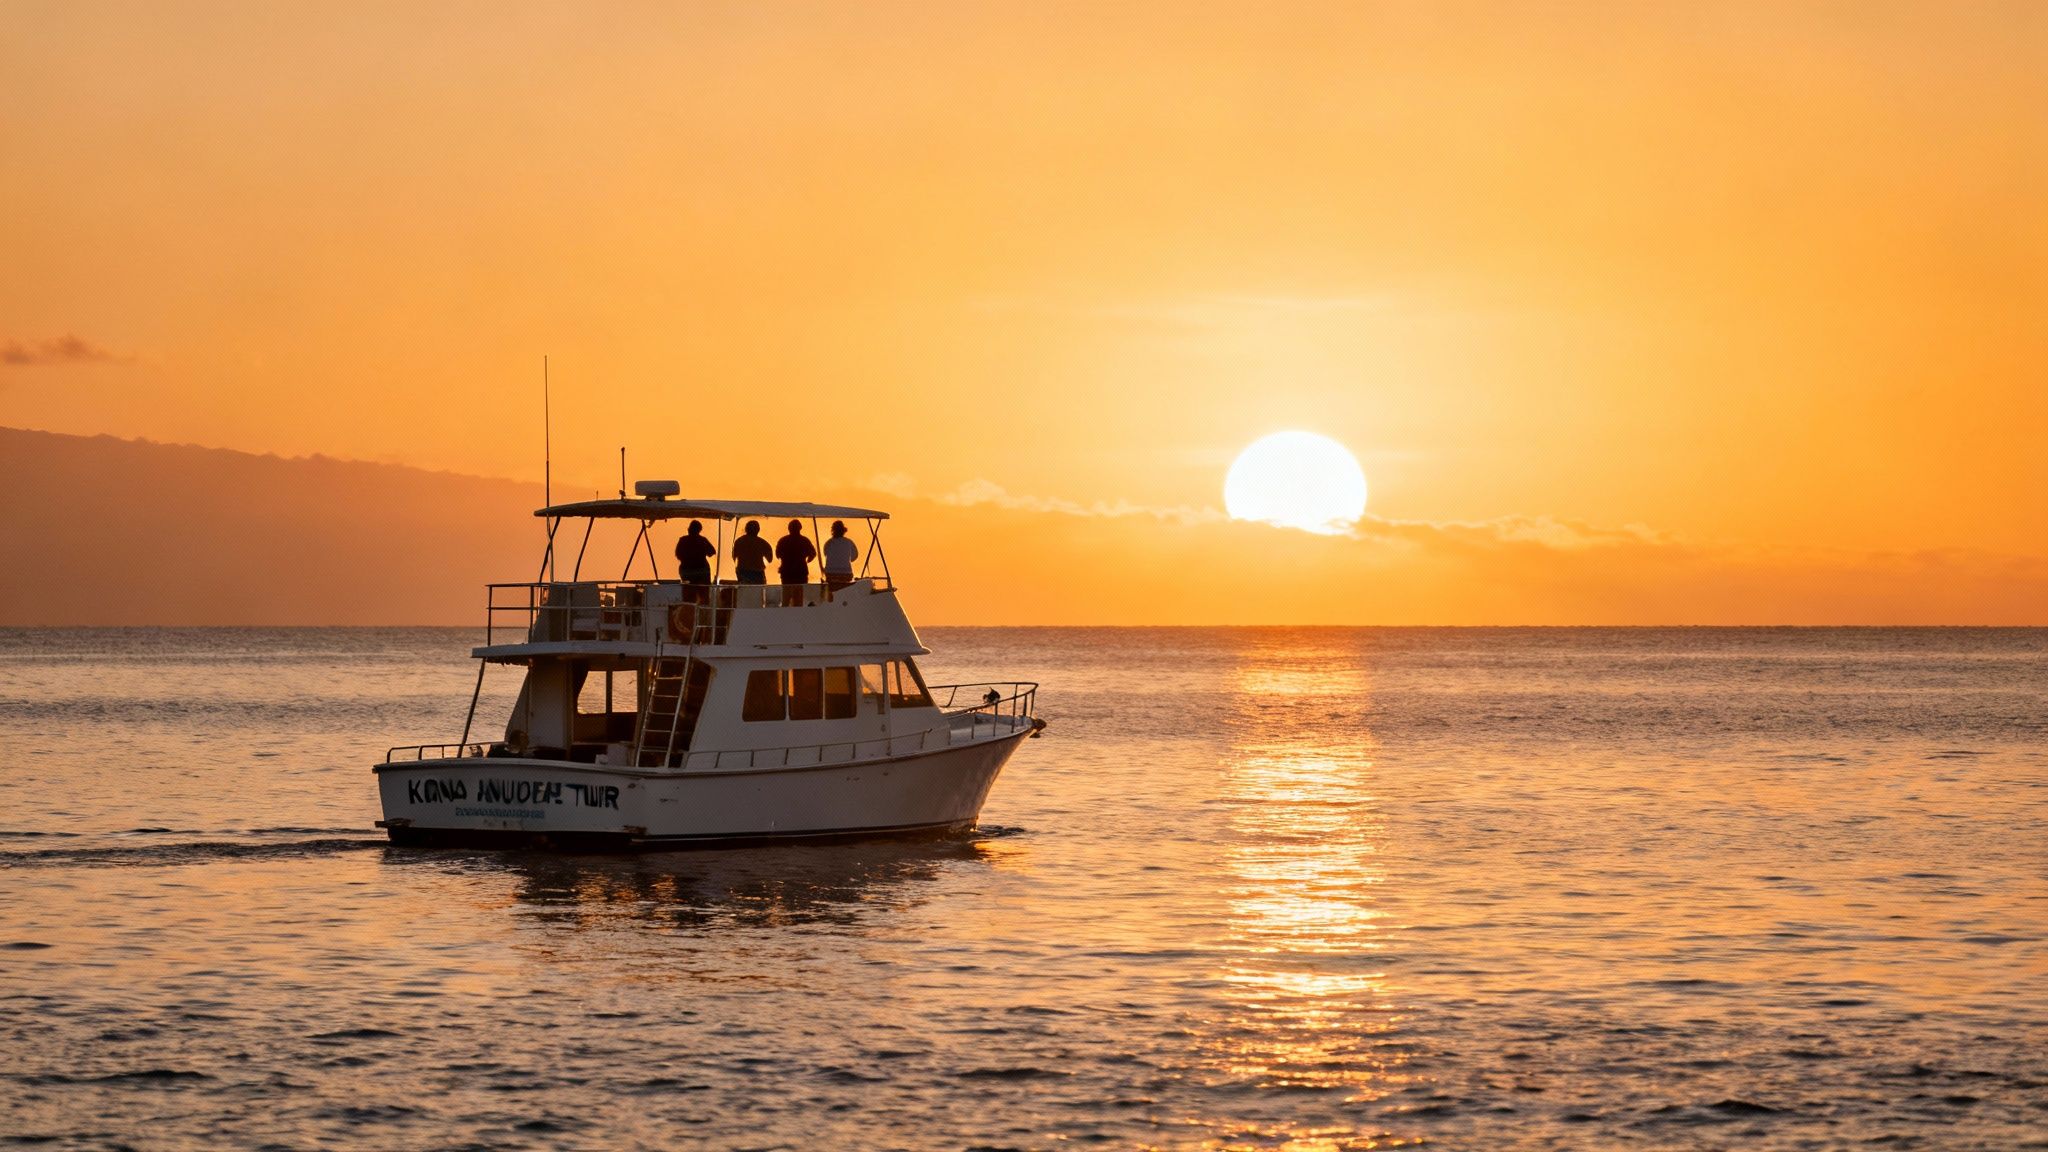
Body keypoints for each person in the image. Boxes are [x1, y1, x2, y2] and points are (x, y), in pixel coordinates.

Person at [775, 519, 816, 606]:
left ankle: (785, 615)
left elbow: (777, 555)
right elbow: (813, 554)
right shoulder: (805, 540)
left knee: (786, 599)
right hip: (801, 571)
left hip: (786, 572)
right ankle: (797, 616)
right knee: (798, 600)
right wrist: (807, 560)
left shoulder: (783, 540)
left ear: (789, 528)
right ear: (800, 528)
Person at [673, 520, 715, 602]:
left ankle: (689, 606)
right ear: (699, 530)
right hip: (702, 571)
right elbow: (712, 552)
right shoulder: (702, 540)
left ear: (689, 529)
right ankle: (704, 608)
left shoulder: (683, 540)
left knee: (688, 595)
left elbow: (678, 555)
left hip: (686, 571)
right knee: (704, 596)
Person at [822, 520, 858, 597]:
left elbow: (825, 554)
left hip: (831, 574)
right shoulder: (849, 542)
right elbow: (854, 556)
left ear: (833, 531)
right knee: (845, 591)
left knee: (831, 589)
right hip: (846, 574)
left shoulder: (828, 543)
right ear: (843, 531)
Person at [732, 520, 773, 586]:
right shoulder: (763, 543)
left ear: (746, 529)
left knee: (745, 592)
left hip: (742, 572)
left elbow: (734, 557)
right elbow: (770, 559)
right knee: (758, 592)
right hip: (758, 573)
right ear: (758, 530)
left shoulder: (739, 541)